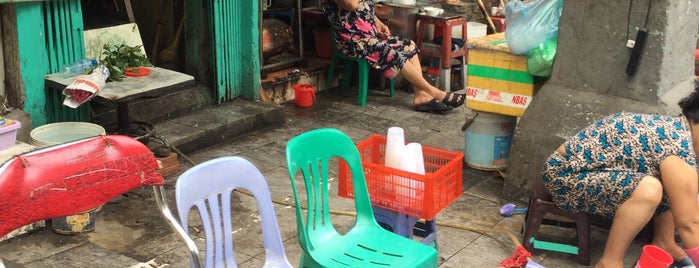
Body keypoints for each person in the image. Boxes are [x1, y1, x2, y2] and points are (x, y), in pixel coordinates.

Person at [541, 88, 699, 268]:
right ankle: (610, 261)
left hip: (587, 172)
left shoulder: (679, 130)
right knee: (649, 189)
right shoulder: (678, 146)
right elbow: (689, 223)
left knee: (676, 186)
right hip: (564, 176)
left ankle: (664, 242)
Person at [321, 0, 465, 113]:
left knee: (410, 45)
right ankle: (434, 92)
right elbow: (351, 5)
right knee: (392, 54)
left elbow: (364, 6)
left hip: (370, 37)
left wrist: (378, 23)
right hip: (353, 41)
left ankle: (421, 95)